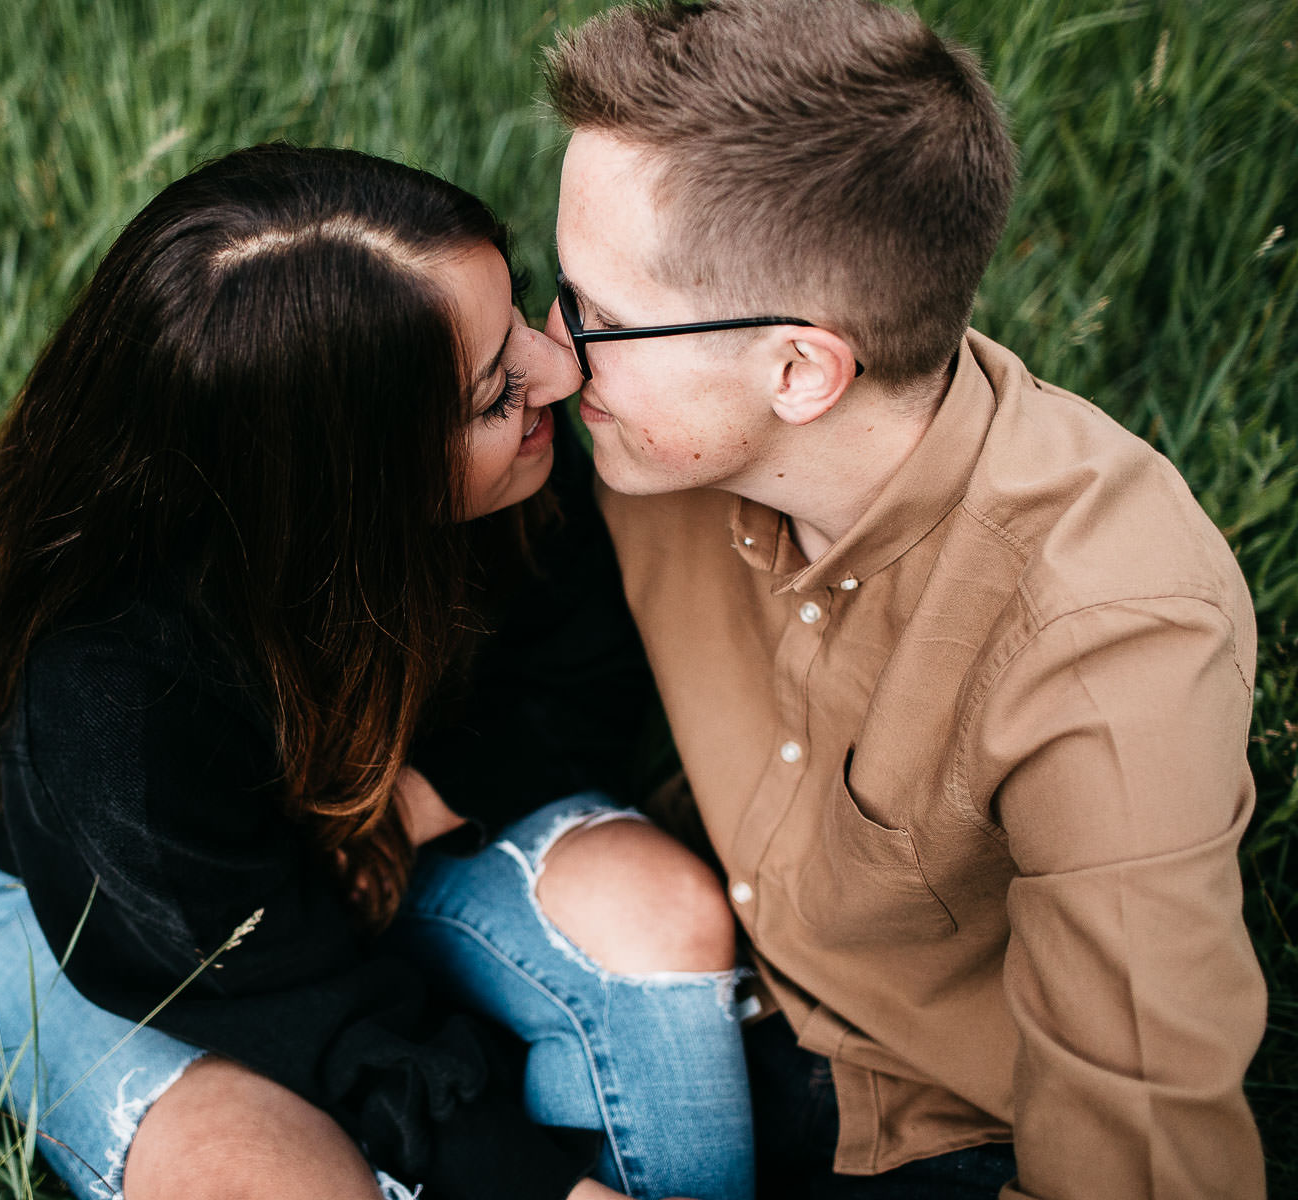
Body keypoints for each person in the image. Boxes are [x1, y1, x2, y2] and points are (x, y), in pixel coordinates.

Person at [0, 143, 756, 1200]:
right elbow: (285, 1001)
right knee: (280, 1184)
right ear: (347, 485)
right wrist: (531, 1184)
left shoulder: (517, 453)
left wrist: (422, 803)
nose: (560, 370)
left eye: (519, 310)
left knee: (660, 922)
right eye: (492, 393)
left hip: (379, 810)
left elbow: (582, 677)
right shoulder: (106, 694)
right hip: (128, 933)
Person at [540, 2, 1267, 1197]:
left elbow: (1141, 1157)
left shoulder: (1105, 631)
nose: (553, 351)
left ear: (799, 370)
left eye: (601, 318)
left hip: (940, 1141)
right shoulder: (653, 443)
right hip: (688, 983)